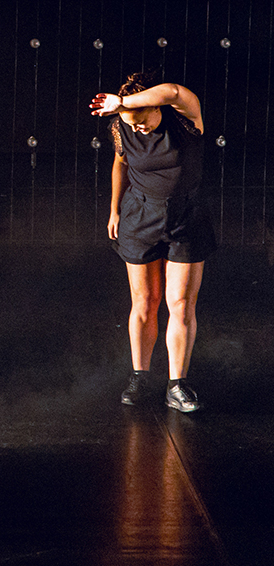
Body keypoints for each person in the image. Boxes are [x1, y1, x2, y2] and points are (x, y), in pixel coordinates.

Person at [91, 75, 216, 412]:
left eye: (142, 120)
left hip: (186, 217)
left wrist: (122, 103)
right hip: (140, 216)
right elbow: (120, 163)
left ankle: (177, 385)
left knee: (181, 304)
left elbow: (173, 91)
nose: (138, 128)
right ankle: (140, 377)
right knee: (145, 301)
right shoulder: (122, 126)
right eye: (131, 123)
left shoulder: (185, 118)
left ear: (155, 107)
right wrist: (115, 209)